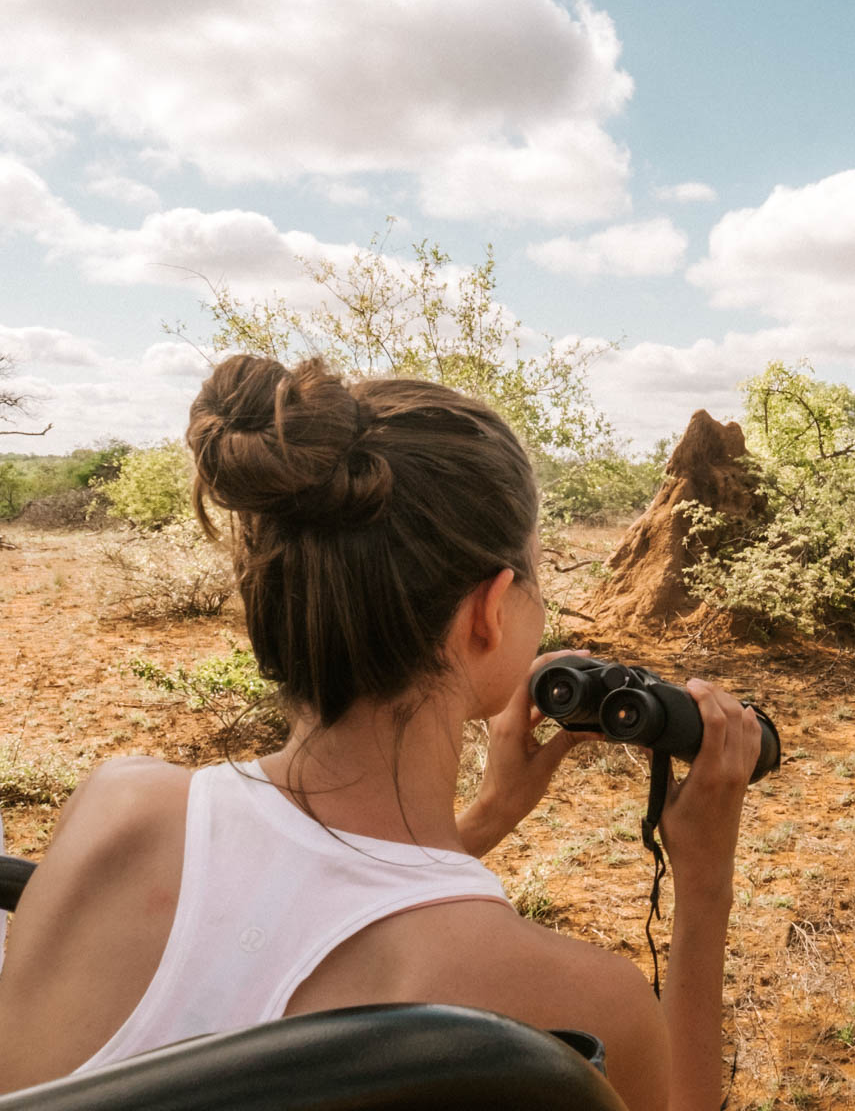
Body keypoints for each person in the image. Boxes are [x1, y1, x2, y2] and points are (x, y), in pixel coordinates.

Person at [0, 355, 758, 1111]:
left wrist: (490, 817)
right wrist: (703, 883)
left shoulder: (118, 803)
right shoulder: (577, 999)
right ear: (489, 612)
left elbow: (285, 920)